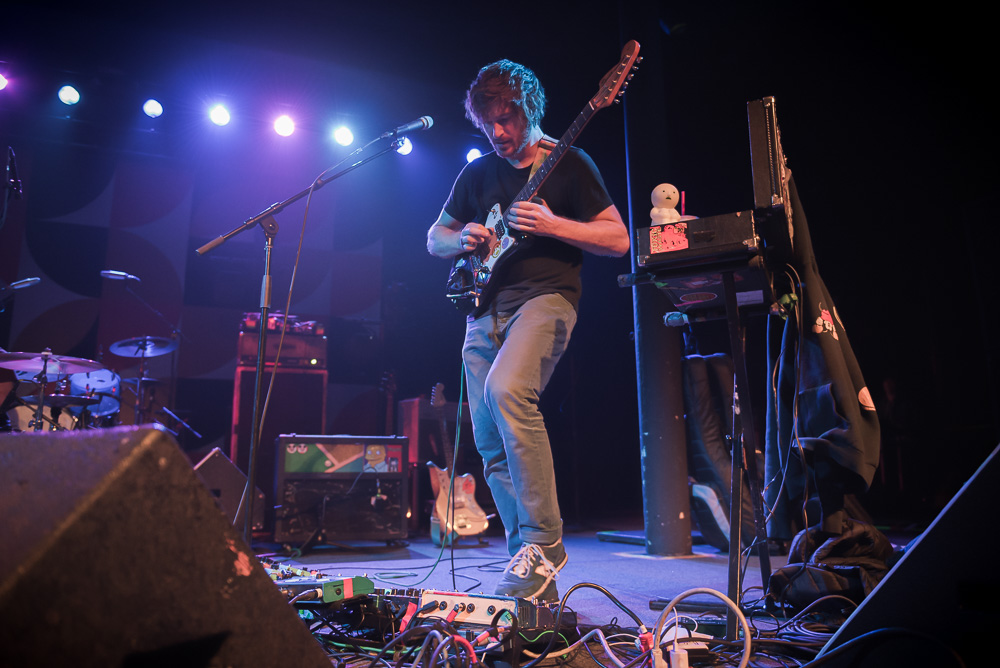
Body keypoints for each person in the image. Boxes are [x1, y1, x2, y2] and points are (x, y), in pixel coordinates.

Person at [426, 59, 630, 601]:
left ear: (528, 110)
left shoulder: (570, 162)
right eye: (487, 122)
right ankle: (528, 562)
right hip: (482, 309)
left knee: (507, 390)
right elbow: (434, 238)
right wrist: (463, 235)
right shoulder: (476, 174)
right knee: (489, 441)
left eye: (505, 120)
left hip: (546, 299)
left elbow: (618, 239)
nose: (496, 133)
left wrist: (554, 224)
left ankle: (546, 540)